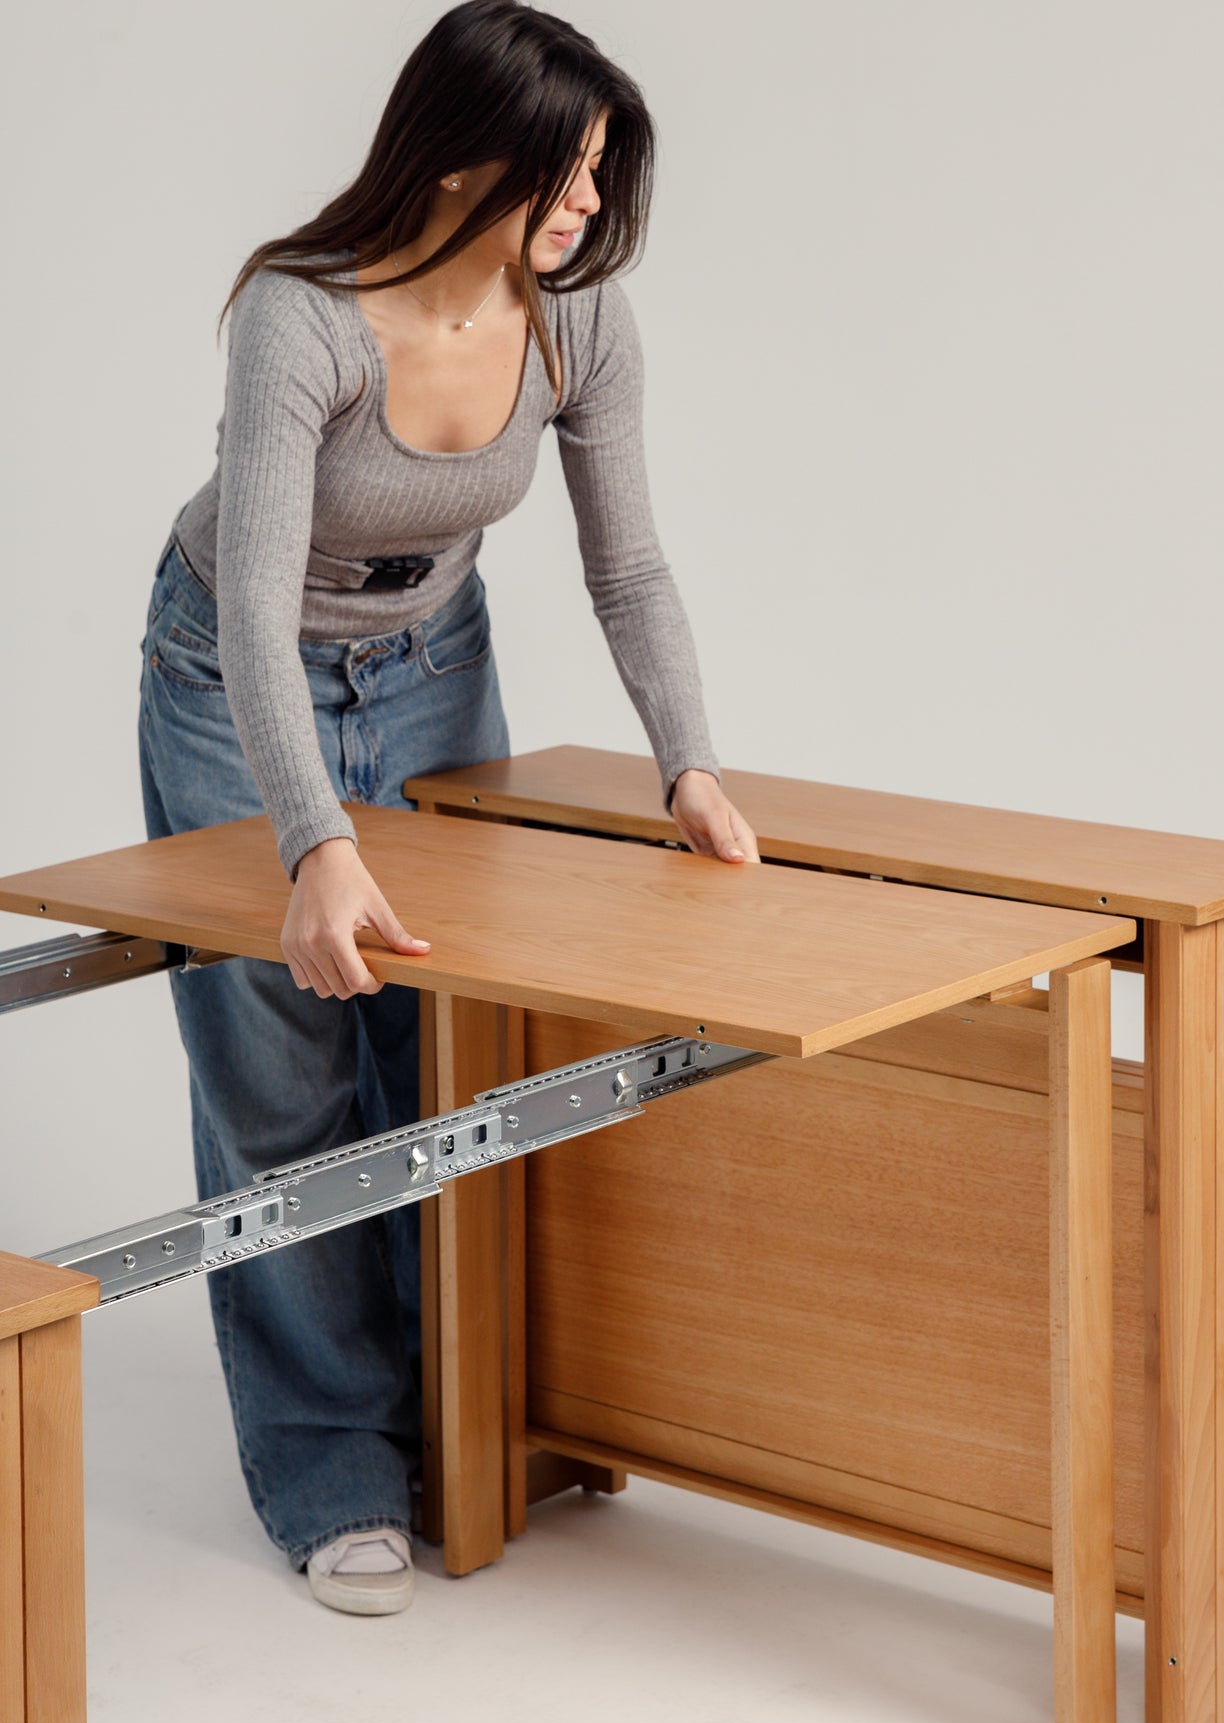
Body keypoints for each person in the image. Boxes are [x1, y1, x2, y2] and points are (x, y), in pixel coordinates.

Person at [137, 0, 759, 1617]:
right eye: (561, 172)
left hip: (429, 666)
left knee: (443, 1053)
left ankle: (453, 1425)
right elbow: (261, 612)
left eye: (601, 175)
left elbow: (626, 564)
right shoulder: (305, 318)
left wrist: (686, 762)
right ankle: (327, 1463)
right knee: (279, 1072)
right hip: (234, 677)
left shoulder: (579, 322)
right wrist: (313, 843)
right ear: (459, 152)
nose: (579, 208)